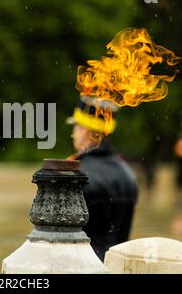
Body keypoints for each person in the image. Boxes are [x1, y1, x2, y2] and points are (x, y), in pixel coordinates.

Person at [66, 96, 138, 261]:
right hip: (119, 266)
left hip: (83, 268)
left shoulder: (76, 174)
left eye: (76, 126)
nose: (73, 133)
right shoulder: (127, 173)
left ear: (86, 129)